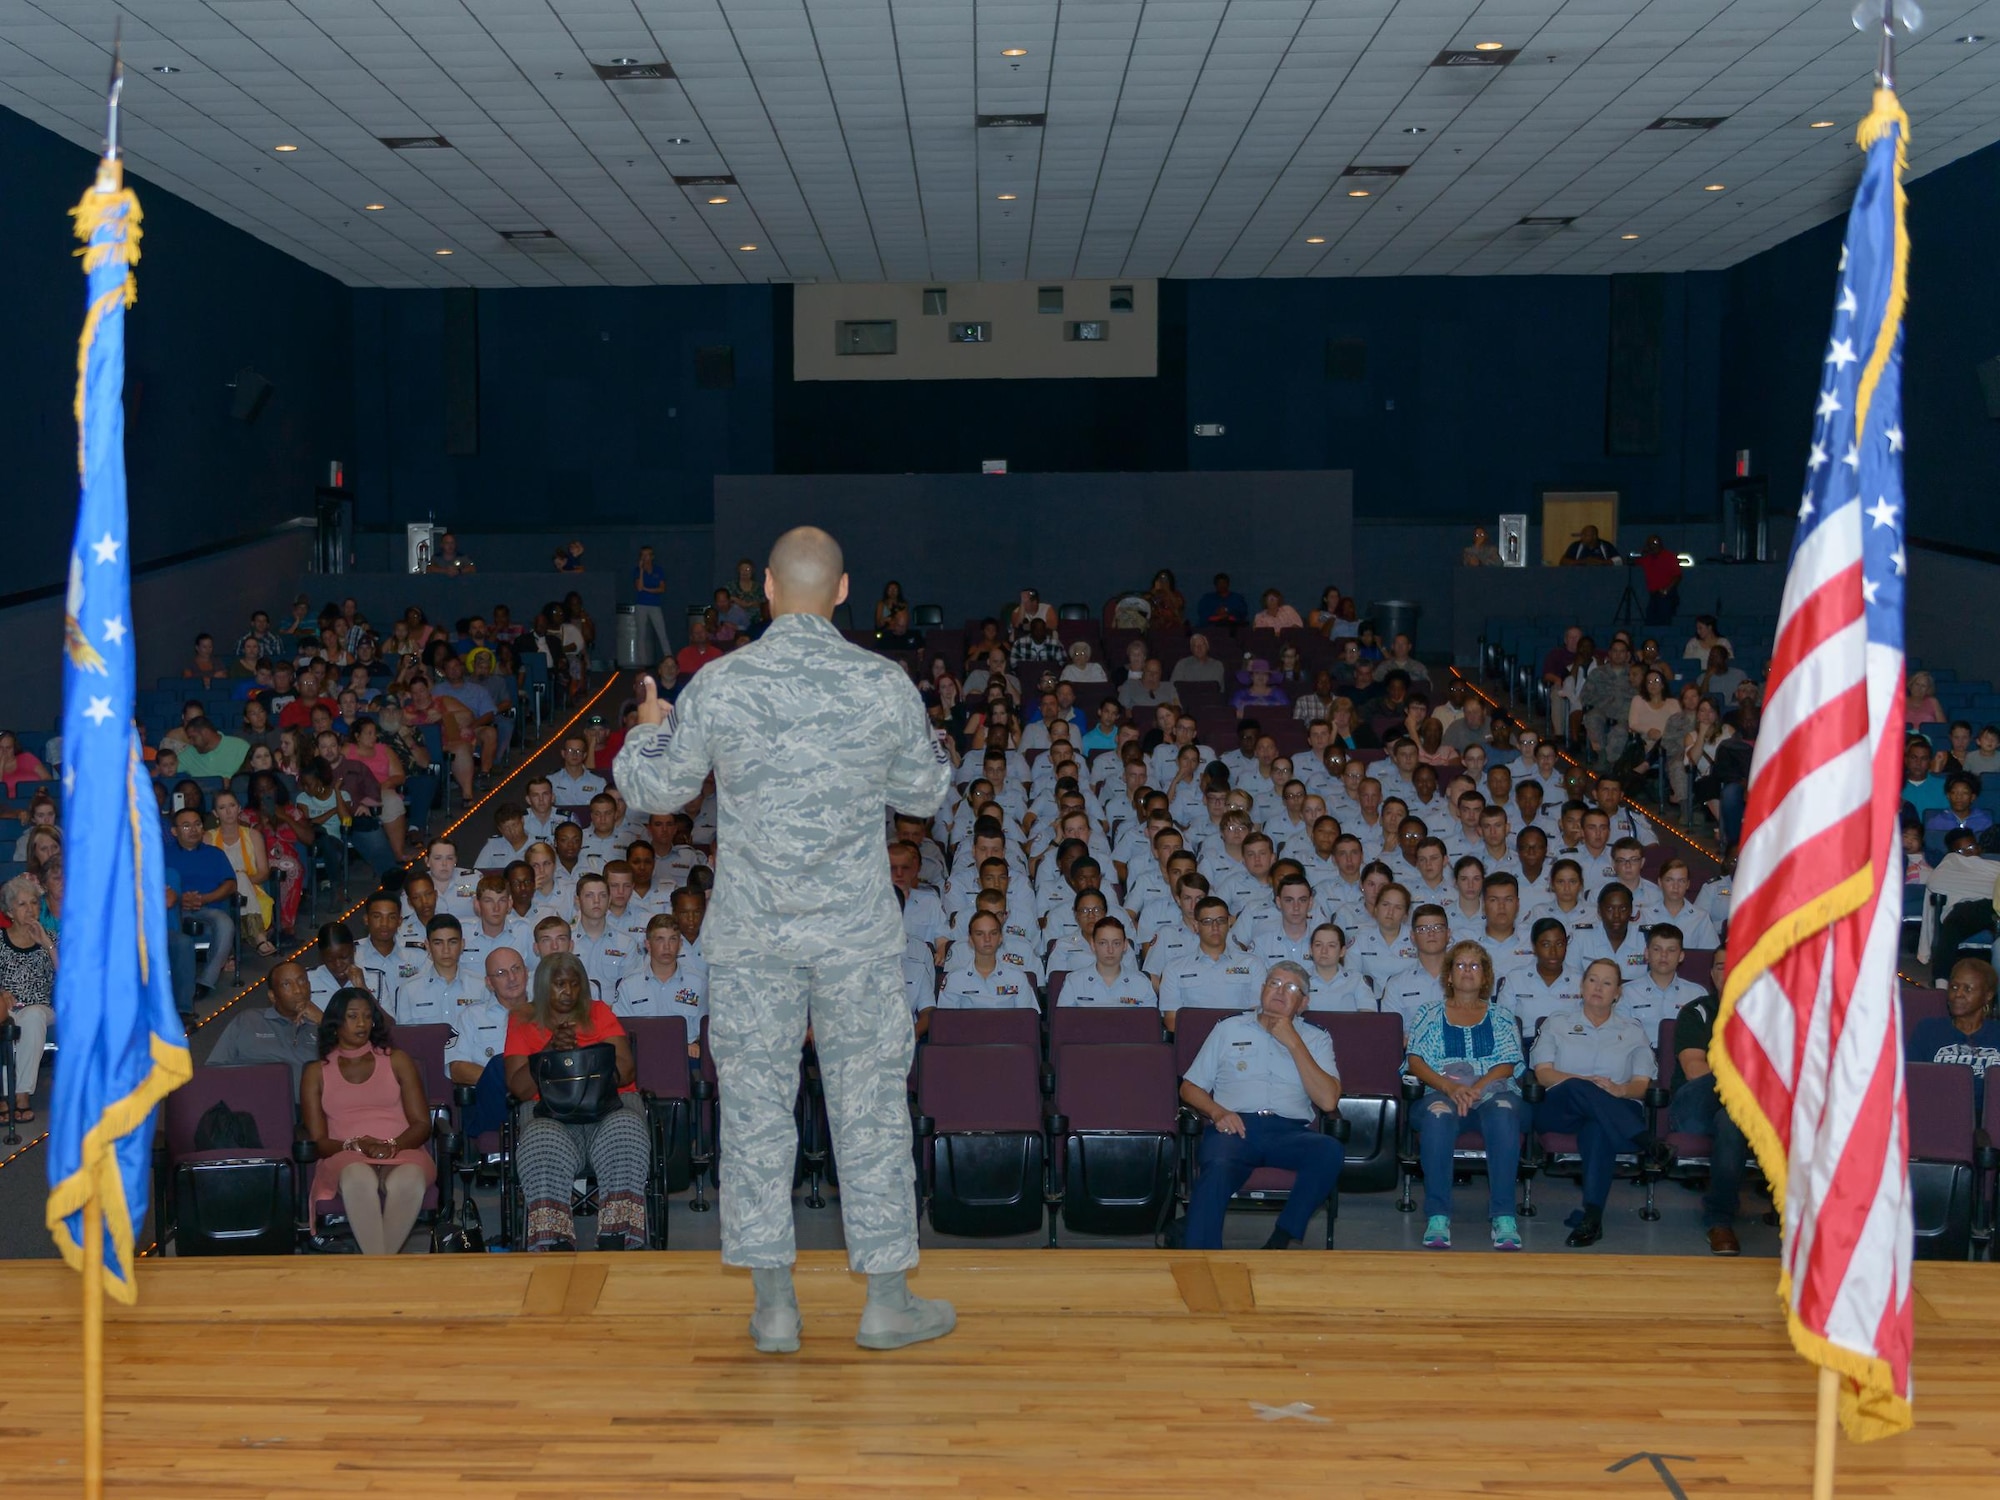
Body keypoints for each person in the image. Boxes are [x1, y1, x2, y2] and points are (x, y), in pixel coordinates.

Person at [612, 525, 954, 1354]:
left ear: (766, 588)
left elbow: (654, 788)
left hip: (752, 938)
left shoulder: (719, 685)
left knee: (758, 1115)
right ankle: (885, 1304)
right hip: (855, 938)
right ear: (842, 592)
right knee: (869, 1111)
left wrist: (649, 724)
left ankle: (773, 1309)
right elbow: (924, 794)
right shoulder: (883, 684)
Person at [1176, 961, 1344, 1249]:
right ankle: (1202, 1256)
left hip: (1289, 1132)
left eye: (1291, 988)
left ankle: (1282, 1239)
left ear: (1304, 1003)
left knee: (1329, 1150)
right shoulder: (1228, 1029)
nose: (1280, 991)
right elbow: (1189, 1087)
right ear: (1262, 990)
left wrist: (1294, 1042)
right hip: (1235, 1127)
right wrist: (1217, 1112)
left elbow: (1328, 1100)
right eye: (1274, 983)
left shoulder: (1316, 1038)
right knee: (1216, 1166)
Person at [502, 952, 651, 1251]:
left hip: (609, 1106)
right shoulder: (522, 1019)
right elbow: (518, 1088)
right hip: (550, 1113)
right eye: (559, 985)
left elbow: (627, 1070)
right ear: (544, 987)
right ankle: (551, 1238)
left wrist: (587, 1060)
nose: (568, 992)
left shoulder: (599, 1013)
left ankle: (618, 1235)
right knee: (539, 1142)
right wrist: (549, 1052)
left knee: (628, 1130)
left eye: (574, 984)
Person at [1405, 940, 1527, 1250]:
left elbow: (1508, 1063)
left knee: (1502, 1112)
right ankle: (1437, 1216)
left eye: (1475, 966)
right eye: (1460, 965)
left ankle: (1504, 1216)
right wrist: (1450, 1087)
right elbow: (1415, 1060)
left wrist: (1475, 1088)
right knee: (1437, 1116)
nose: (1467, 971)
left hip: (1492, 1093)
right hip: (1441, 1092)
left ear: (1486, 976)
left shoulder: (1502, 1016)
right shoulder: (1429, 1013)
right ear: (1448, 975)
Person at [299, 988, 436, 1255]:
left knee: (408, 1179)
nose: (362, 1023)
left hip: (402, 1149)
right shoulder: (316, 1072)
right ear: (335, 1023)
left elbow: (421, 1124)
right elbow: (319, 1142)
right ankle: (383, 1269)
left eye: (367, 1016)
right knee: (358, 1176)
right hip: (345, 1154)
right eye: (352, 1016)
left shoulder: (397, 1060)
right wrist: (356, 1145)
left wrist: (392, 1145)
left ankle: (375, 1269)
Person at [1530, 958, 1655, 1246]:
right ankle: (1647, 1142)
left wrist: (1620, 1091)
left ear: (1618, 993)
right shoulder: (1557, 1023)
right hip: (1562, 1107)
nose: (1598, 987)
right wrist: (1589, 1086)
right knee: (1577, 1086)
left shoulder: (1633, 1031)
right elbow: (1544, 1074)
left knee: (1598, 1127)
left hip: (1614, 1108)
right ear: (1582, 986)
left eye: (1607, 982)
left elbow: (1641, 1084)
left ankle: (1592, 1217)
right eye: (1592, 980)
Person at [1669, 945, 1754, 1255]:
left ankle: (1720, 1222)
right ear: (1711, 973)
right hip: (1695, 1106)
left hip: (1740, 1111)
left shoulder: (1764, 1016)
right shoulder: (1698, 1012)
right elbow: (1695, 1070)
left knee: (1732, 1120)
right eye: (1720, 966)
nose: (1727, 972)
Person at [1905, 958, 2000, 1114]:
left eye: (1968, 989)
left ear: (1988, 995)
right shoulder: (1928, 1030)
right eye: (1954, 987)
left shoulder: (1996, 1034)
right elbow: (1912, 1078)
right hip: (1936, 1114)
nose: (1958, 994)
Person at [207, 959, 322, 1087]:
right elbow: (213, 1070)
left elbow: (344, 1071)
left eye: (302, 981)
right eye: (286, 984)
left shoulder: (324, 1025)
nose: (298, 990)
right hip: (253, 1100)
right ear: (272, 996)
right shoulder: (248, 1020)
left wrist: (324, 1021)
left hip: (306, 1104)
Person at [164, 807, 238, 1001]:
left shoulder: (215, 854)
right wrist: (181, 899)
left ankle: (205, 981)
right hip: (174, 911)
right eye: (186, 826)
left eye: (197, 824)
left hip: (208, 907)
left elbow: (230, 885)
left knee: (225, 923)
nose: (194, 829)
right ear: (174, 831)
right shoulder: (163, 855)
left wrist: (205, 898)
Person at [0, 874, 56, 1120]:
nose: (30, 909)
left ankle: (21, 1093)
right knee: (4, 1016)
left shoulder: (50, 937)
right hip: (7, 1006)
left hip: (42, 1007)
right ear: (10, 911)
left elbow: (71, 979)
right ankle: (4, 1094)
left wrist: (46, 944)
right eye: (22, 904)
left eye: (34, 903)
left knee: (32, 1015)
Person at [1637, 535, 1682, 624]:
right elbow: (1633, 561)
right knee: (1650, 620)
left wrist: (1666, 590)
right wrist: (1643, 552)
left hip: (1667, 594)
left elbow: (1677, 576)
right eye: (1650, 544)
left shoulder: (1669, 556)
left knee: (1664, 620)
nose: (1653, 546)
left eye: (1655, 543)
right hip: (1653, 594)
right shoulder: (1647, 558)